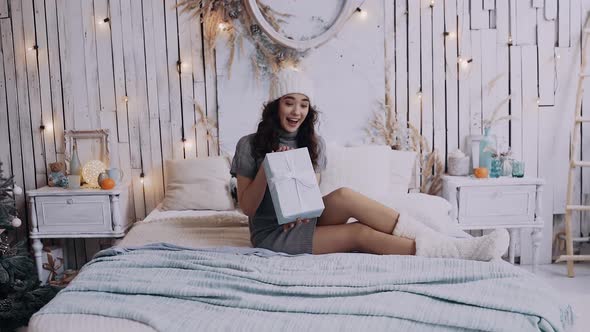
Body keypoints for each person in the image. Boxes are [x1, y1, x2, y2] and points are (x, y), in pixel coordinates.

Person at [230, 68, 509, 260]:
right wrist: (268, 170)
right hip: (272, 233)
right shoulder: (249, 145)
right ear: (275, 105)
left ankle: (444, 242)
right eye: (289, 103)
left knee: (344, 196)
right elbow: (248, 208)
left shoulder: (314, 144)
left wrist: (302, 210)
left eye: (303, 104)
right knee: (358, 233)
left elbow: (309, 197)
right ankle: (449, 252)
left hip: (300, 222)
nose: (297, 111)